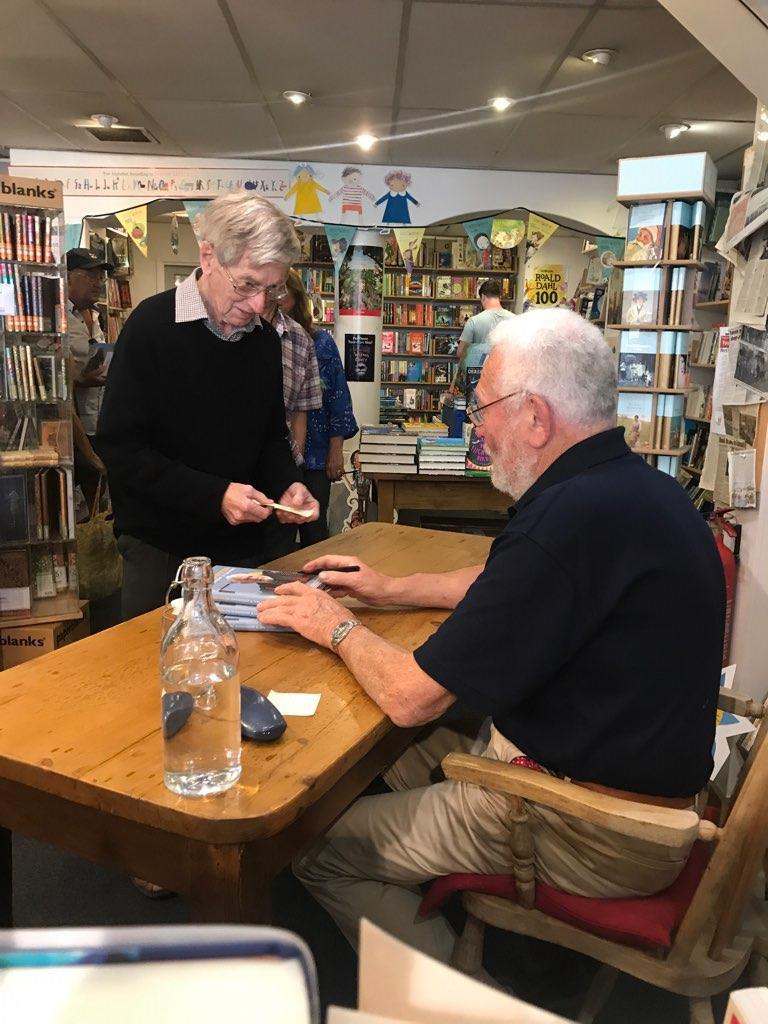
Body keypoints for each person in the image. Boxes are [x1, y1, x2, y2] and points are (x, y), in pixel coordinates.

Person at [257, 308, 725, 962]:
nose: (478, 432)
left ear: (536, 417)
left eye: (484, 410)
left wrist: (329, 623)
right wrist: (391, 590)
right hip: (643, 792)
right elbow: (507, 579)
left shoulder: (567, 518)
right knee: (389, 753)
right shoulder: (637, 490)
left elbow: (410, 697)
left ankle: (461, 1003)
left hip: (596, 828)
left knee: (311, 846)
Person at [96, 191, 319, 621]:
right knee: (155, 671)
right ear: (209, 256)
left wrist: (288, 483)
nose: (258, 305)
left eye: (271, 290)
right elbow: (121, 450)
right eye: (248, 284)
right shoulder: (150, 328)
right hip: (162, 551)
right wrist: (215, 495)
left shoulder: (263, 342)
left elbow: (270, 437)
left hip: (248, 549)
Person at [277, 270, 358, 546]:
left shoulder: (321, 342)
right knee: (280, 531)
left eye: (282, 293)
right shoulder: (264, 338)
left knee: (314, 528)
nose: (275, 299)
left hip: (317, 452)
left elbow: (338, 396)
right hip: (280, 453)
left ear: (297, 297)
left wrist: (336, 450)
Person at [261, 272, 323, 558]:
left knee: (277, 563)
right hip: (228, 480)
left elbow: (301, 410)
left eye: (278, 289)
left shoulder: (300, 340)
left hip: (280, 472)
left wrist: (294, 468)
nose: (269, 297)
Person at [67, 247, 110, 508]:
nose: (98, 282)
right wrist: (82, 380)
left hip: (99, 420)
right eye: (90, 275)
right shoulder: (57, 315)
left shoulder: (96, 314)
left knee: (100, 503)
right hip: (74, 429)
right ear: (69, 276)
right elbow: (60, 380)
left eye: (101, 277)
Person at [451, 279, 515, 396]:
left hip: (479, 382)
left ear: (483, 297)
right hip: (506, 381)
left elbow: (460, 353)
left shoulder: (474, 321)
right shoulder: (515, 320)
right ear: (499, 296)